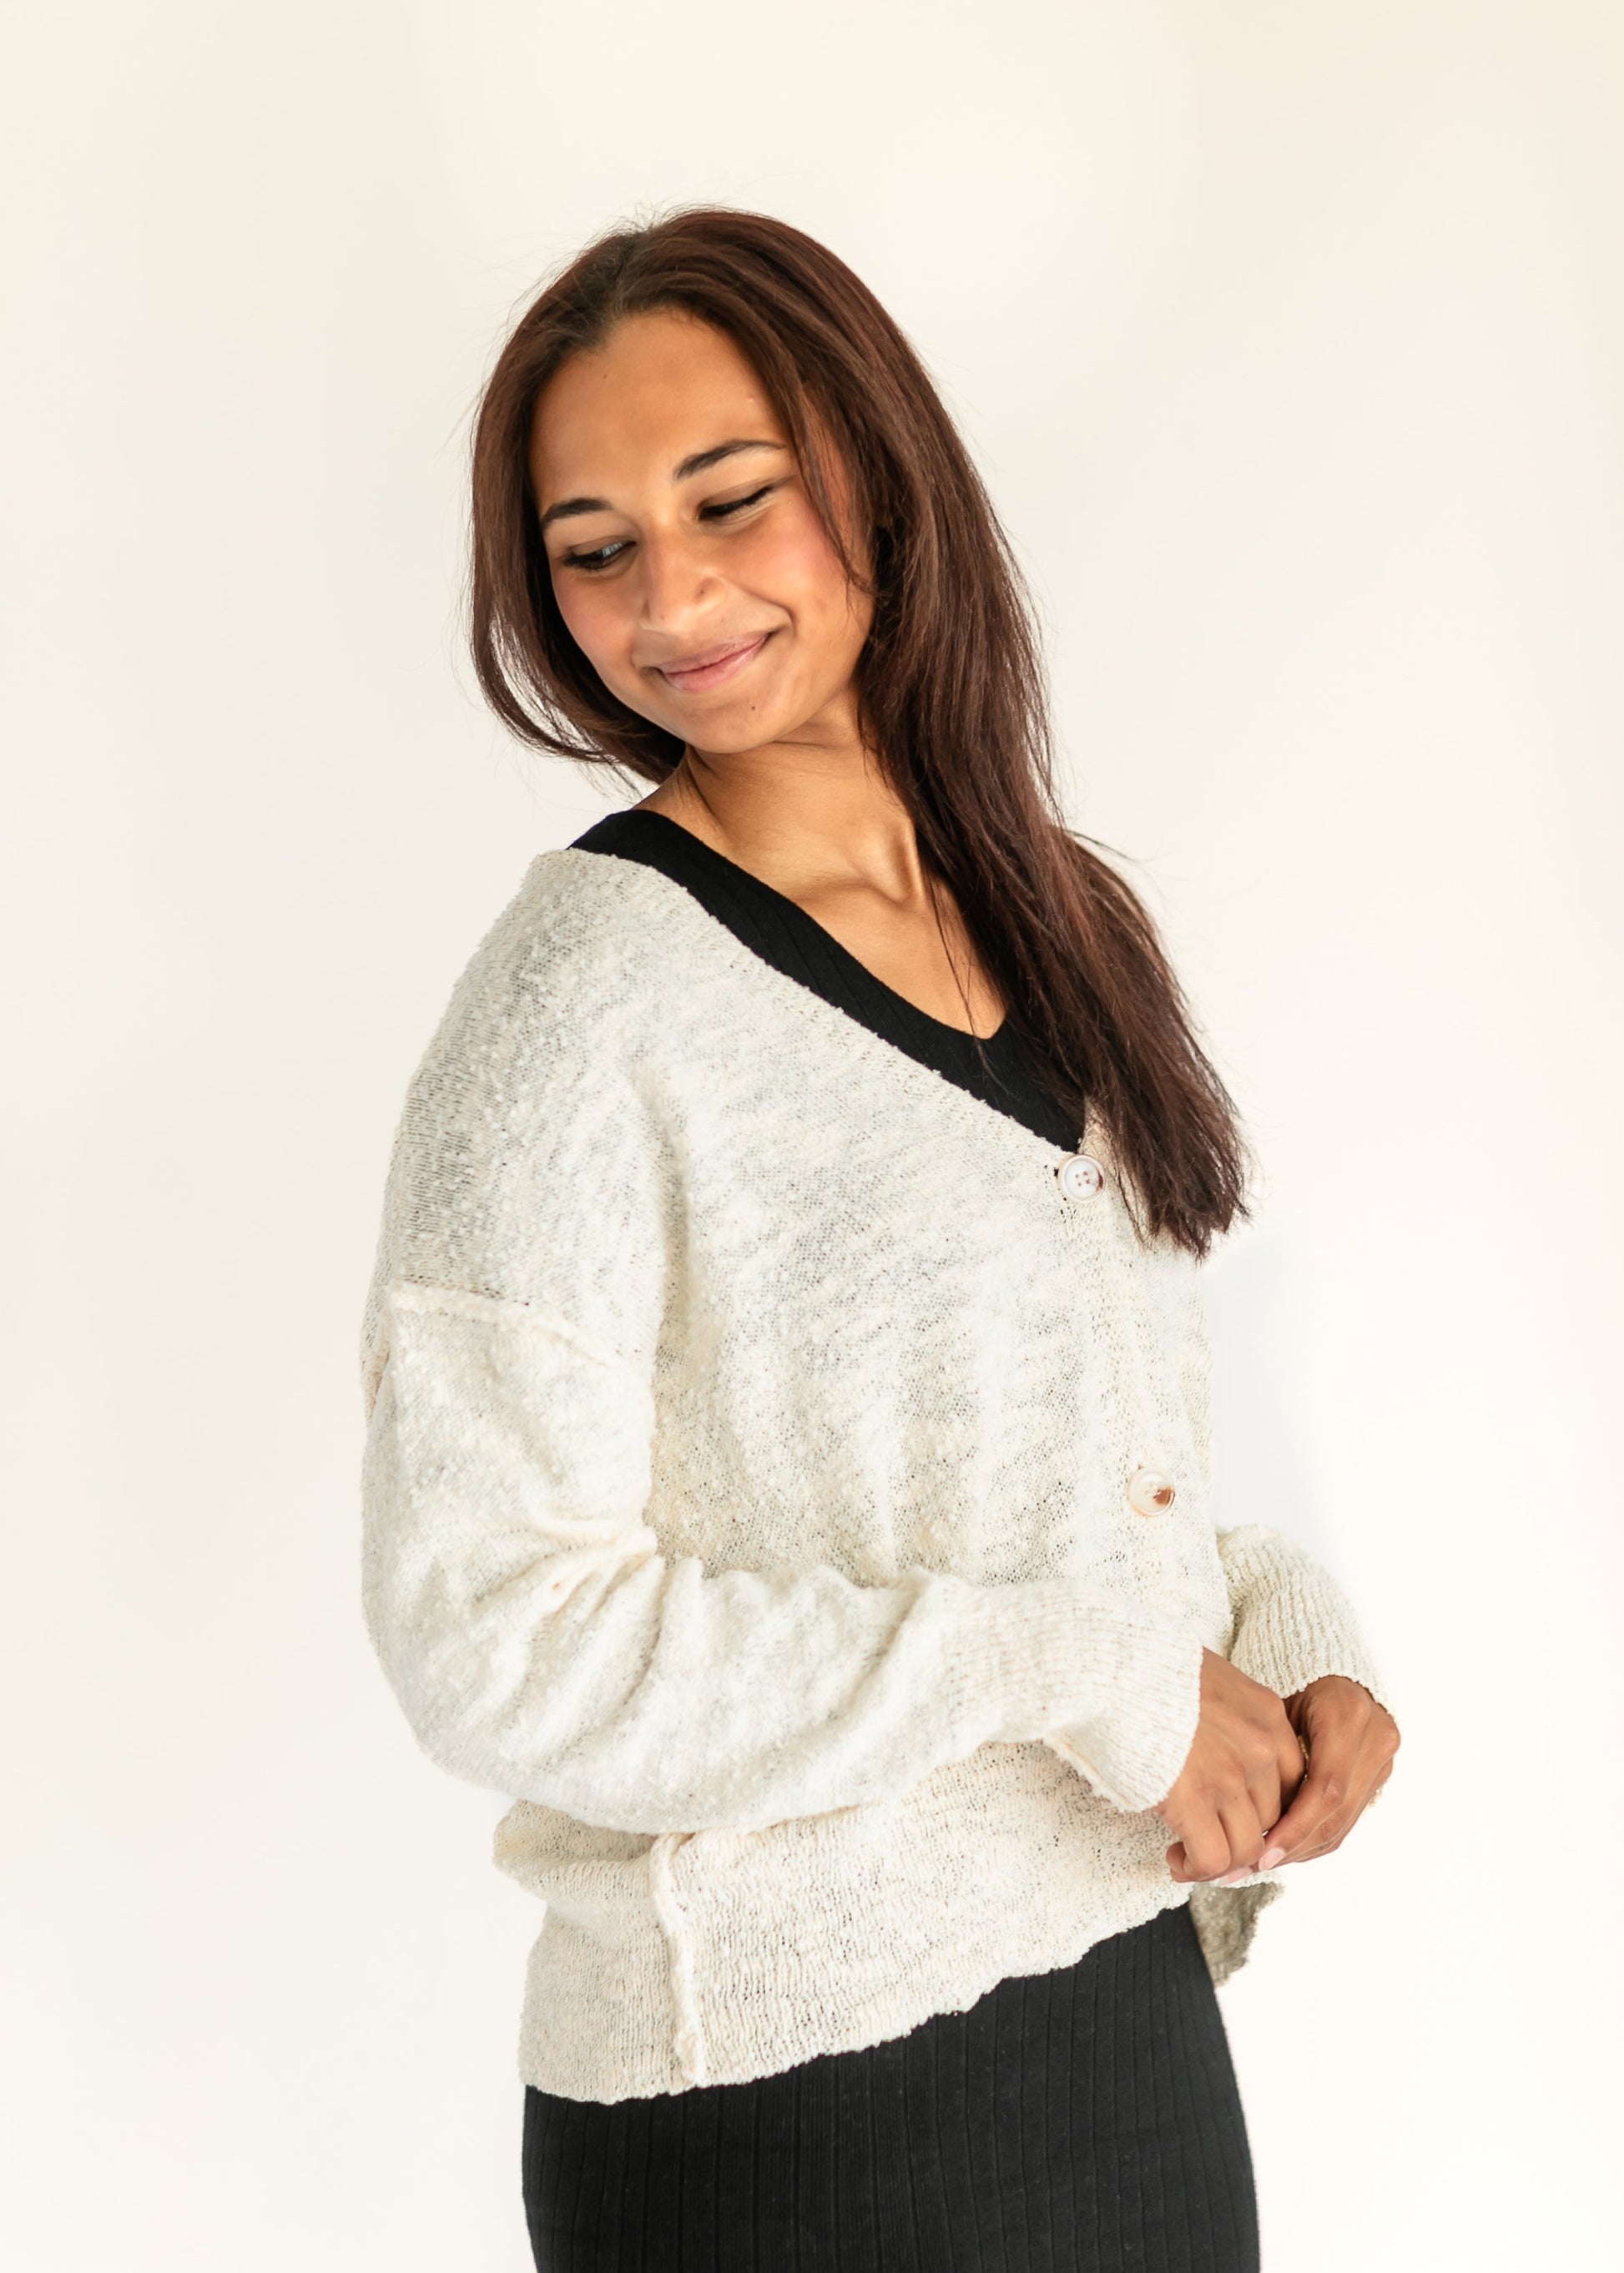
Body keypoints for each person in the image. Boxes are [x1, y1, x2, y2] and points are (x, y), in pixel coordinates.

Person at [360, 208, 1399, 2273]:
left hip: (1125, 2018)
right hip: (787, 2100)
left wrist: (1283, 1643)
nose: (671, 598)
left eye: (729, 498)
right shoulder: (578, 1005)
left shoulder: (1064, 922)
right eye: (593, 546)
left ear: (876, 472)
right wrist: (1100, 1668)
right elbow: (495, 1636)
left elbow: (1060, 1481)